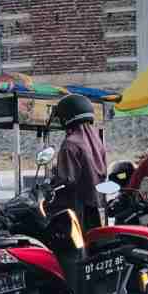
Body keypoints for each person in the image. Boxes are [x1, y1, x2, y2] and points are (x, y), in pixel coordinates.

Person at [51, 93, 108, 230]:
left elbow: (66, 181)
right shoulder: (97, 142)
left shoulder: (70, 144)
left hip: (77, 208)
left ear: (67, 117)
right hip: (97, 204)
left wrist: (52, 184)